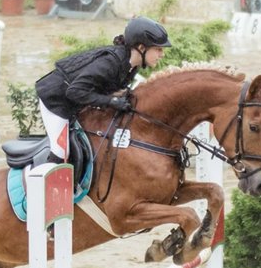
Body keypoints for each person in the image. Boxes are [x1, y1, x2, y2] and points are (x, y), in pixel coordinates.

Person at [34, 15, 170, 162]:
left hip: (77, 101)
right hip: (56, 100)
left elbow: (108, 88)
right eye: (158, 49)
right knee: (61, 151)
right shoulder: (109, 63)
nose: (161, 55)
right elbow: (74, 91)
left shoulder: (133, 65)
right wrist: (111, 101)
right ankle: (43, 182)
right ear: (141, 48)